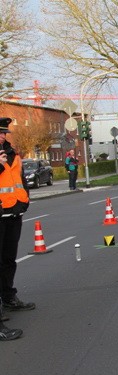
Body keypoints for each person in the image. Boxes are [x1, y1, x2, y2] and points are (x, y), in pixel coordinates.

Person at [0, 117, 35, 342]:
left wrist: (24, 203)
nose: (3, 137)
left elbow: (19, 180)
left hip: (13, 213)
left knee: (8, 260)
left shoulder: (13, 154)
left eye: (4, 133)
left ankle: (8, 298)